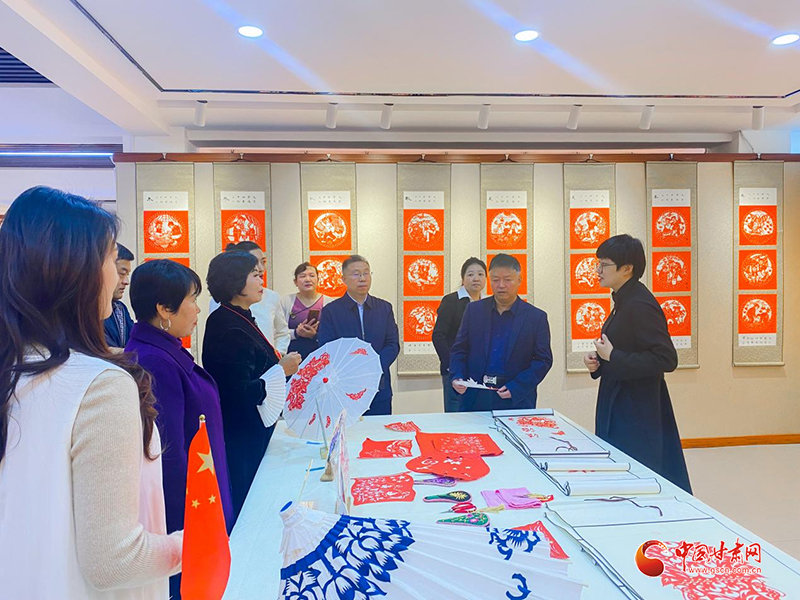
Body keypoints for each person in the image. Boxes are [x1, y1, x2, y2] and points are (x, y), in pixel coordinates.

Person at [0, 186, 181, 598]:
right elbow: (113, 560)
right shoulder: (98, 386)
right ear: (75, 271)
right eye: (111, 260)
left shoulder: (15, 369)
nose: (118, 277)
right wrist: (193, 544)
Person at [126, 260, 232, 600]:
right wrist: (189, 529)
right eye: (192, 299)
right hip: (186, 511)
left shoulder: (166, 349)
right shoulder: (154, 361)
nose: (198, 309)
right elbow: (169, 455)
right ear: (164, 309)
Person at [584, 234, 692, 493]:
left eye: (604, 264)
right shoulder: (623, 300)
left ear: (627, 268)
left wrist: (613, 357)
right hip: (619, 399)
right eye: (598, 263)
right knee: (620, 471)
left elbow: (666, 358)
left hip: (637, 409)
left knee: (637, 474)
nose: (598, 270)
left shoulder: (640, 304)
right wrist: (599, 362)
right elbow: (627, 348)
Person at [203, 251, 301, 521]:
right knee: (249, 509)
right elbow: (236, 392)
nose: (261, 282)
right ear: (235, 281)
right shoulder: (227, 324)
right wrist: (281, 370)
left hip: (252, 430)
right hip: (242, 436)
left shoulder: (241, 316)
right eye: (255, 275)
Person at [449, 254, 553, 412]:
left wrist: (517, 387)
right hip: (475, 396)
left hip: (515, 398)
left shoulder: (535, 317)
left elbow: (543, 360)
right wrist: (457, 376)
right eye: (495, 280)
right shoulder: (474, 311)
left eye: (508, 279)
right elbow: (459, 349)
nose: (501, 285)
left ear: (519, 280)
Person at [317, 255, 399, 415]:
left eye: (366, 273)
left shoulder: (384, 308)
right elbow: (327, 347)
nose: (362, 278)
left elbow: (393, 344)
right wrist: (354, 368)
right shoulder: (331, 311)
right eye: (356, 274)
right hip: (344, 386)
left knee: (379, 428)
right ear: (344, 279)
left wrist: (374, 366)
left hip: (379, 385)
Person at [209, 241, 290, 354]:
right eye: (255, 273)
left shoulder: (271, 297)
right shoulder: (223, 315)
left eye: (263, 262)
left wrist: (278, 356)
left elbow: (282, 333)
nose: (261, 268)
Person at [432, 257, 487, 412]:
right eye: (470, 274)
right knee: (456, 414)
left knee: (480, 415)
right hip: (456, 371)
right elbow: (438, 336)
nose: (476, 278)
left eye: (480, 274)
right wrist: (453, 366)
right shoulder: (451, 301)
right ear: (463, 279)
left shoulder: (489, 303)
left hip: (481, 373)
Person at [280, 262, 335, 359]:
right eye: (303, 276)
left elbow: (334, 334)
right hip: (292, 355)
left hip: (322, 355)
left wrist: (315, 335)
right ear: (295, 282)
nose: (308, 279)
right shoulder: (285, 301)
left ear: (318, 280)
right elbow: (278, 332)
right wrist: (296, 333)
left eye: (312, 276)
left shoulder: (330, 303)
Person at [103, 242, 135, 350]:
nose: (126, 281)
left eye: (127, 275)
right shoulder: (81, 311)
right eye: (121, 274)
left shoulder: (120, 308)